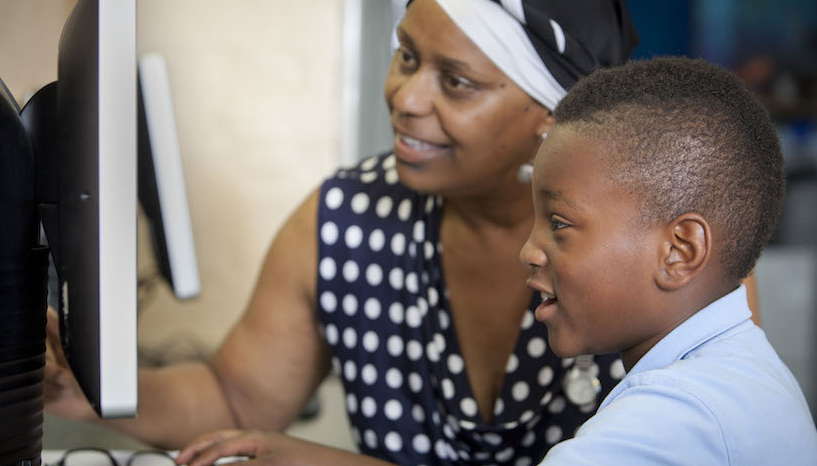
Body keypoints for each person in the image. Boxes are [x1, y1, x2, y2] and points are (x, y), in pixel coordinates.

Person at [42, 1, 749, 465]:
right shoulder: (345, 217)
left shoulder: (658, 262)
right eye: (407, 56)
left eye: (457, 82)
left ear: (551, 116)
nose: (404, 99)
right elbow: (237, 400)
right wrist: (92, 389)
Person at [518, 56, 817, 465]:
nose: (528, 252)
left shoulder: (673, 419)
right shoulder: (739, 375)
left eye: (558, 223)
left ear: (680, 252)